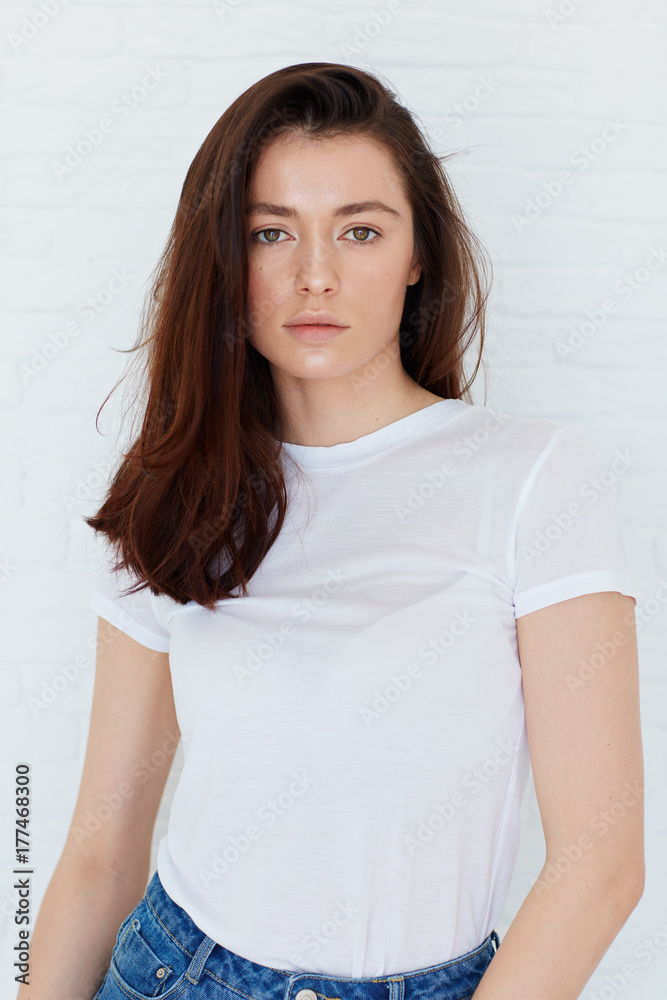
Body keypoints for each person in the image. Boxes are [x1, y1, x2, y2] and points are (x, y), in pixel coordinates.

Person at [19, 62, 644, 1000]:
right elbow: (102, 853)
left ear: (417, 254)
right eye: (270, 233)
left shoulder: (530, 478)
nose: (315, 275)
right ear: (224, 259)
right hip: (178, 973)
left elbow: (599, 866)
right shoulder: (171, 490)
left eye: (360, 231)